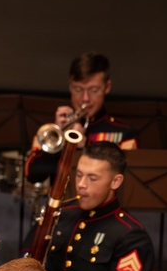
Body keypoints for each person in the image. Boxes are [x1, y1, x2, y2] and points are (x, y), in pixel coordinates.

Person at [39, 142, 153, 271]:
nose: (81, 185)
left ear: (115, 181)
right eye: (78, 175)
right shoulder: (62, 216)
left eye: (92, 178)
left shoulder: (131, 235)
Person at [25, 53, 138, 184]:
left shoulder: (124, 132)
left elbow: (126, 181)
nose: (85, 98)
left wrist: (83, 149)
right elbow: (32, 176)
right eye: (78, 89)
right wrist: (57, 143)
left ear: (107, 87)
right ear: (70, 86)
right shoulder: (51, 131)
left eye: (93, 90)